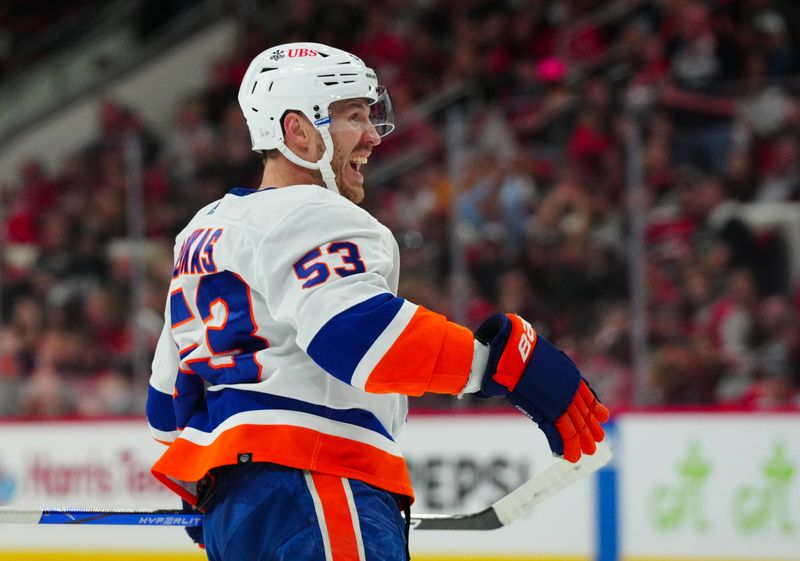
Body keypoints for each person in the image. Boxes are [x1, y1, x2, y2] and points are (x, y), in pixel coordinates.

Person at [145, 42, 609, 561]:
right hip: (320, 482)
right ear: (298, 130)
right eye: (352, 118)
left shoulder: (203, 231)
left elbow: (166, 407)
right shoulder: (315, 212)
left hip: (239, 513)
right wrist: (505, 365)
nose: (372, 136)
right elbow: (356, 336)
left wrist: (221, 492)